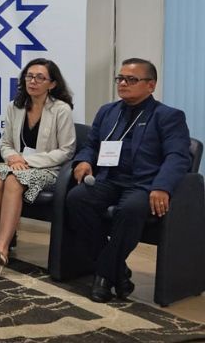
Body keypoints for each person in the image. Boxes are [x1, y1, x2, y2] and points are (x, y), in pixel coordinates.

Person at [67, 58, 191, 303]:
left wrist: (162, 186)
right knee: (77, 199)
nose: (123, 83)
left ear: (151, 85)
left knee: (130, 210)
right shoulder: (108, 111)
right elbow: (91, 145)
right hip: (108, 178)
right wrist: (84, 161)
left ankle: (104, 276)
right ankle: (119, 272)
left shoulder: (168, 116)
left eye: (131, 79)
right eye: (120, 78)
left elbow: (178, 156)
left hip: (144, 184)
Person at [0, 58, 76, 267]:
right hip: (16, 165)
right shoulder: (15, 107)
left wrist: (26, 160)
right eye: (29, 76)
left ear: (52, 84)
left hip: (49, 169)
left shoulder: (61, 109)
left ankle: (2, 249)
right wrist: (12, 157)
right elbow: (6, 143)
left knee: (13, 180)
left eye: (40, 78)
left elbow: (66, 151)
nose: (33, 81)